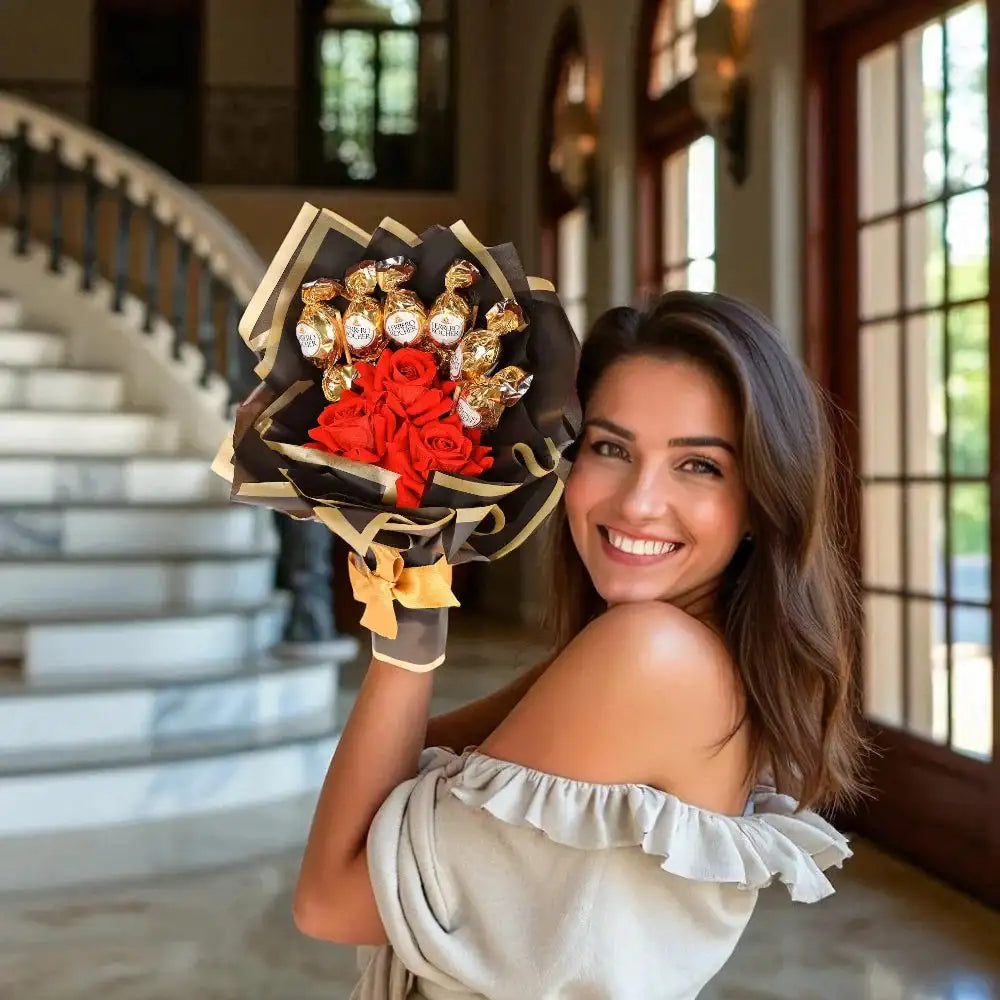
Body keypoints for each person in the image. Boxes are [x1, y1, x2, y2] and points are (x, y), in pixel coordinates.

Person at [292, 291, 867, 1000]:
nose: (637, 502)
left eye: (699, 466)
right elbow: (393, 786)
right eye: (611, 448)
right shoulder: (674, 651)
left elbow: (330, 901)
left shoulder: (650, 654)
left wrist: (409, 627)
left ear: (759, 497)